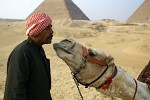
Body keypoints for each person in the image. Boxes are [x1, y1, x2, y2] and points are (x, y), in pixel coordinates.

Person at [3, 12, 53, 100]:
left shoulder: (39, 50)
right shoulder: (22, 53)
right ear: (37, 29)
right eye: (47, 28)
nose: (51, 32)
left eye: (51, 27)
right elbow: (15, 92)